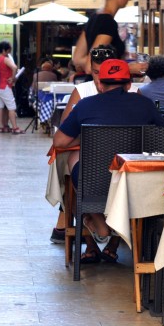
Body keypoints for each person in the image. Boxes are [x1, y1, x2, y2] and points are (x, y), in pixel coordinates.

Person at [52, 59, 164, 263]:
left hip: (95, 183)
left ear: (100, 84)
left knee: (73, 157)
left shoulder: (86, 105)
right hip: (133, 184)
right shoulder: (145, 105)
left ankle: (96, 218)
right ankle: (117, 229)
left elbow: (59, 141)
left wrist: (84, 136)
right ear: (129, 84)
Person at [49, 44, 115, 245]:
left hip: (99, 162)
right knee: (77, 176)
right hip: (103, 163)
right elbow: (66, 127)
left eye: (103, 72)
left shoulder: (127, 92)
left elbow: (63, 136)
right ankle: (93, 246)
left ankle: (106, 242)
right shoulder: (83, 91)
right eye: (96, 72)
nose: (99, 78)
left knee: (76, 175)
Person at [71, 0, 146, 77]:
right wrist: (128, 68)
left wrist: (107, 65)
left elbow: (77, 59)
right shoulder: (108, 23)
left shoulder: (94, 17)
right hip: (106, 87)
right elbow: (90, 66)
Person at [0, 40, 22, 134]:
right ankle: (15, 128)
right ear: (5, 50)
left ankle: (1, 127)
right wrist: (13, 78)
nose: (10, 51)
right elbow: (14, 67)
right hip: (4, 86)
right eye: (9, 49)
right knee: (11, 107)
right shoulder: (5, 59)